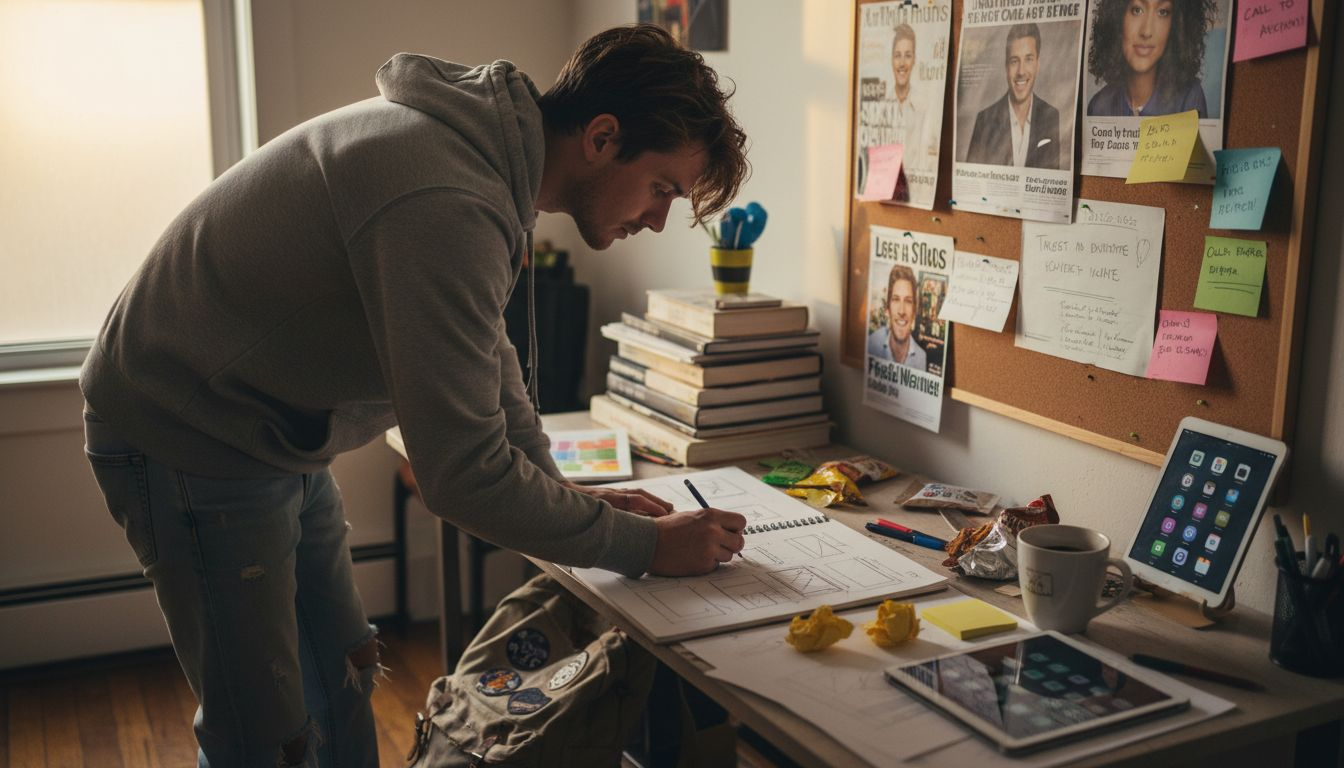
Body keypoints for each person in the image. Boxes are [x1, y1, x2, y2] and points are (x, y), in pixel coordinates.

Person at [80, 25, 749, 768]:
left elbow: (487, 351)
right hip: (187, 429)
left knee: (341, 677)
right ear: (601, 137)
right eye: (662, 188)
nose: (657, 219)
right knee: (264, 738)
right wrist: (646, 547)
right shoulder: (448, 196)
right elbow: (463, 478)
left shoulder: (486, 165)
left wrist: (563, 494)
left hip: (266, 425)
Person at [1085, 0, 1217, 117]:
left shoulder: (1189, 97)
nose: (1146, 31)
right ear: (1117, 17)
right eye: (1137, 10)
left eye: (1162, 12)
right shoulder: (1099, 106)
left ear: (1177, 24)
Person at [966, 23, 1061, 170]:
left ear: (1037, 64)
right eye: (1014, 61)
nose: (1021, 71)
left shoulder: (1051, 117)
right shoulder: (984, 121)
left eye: (1028, 59)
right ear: (1006, 67)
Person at [867, 264, 928, 370]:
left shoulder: (921, 358)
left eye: (908, 301)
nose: (901, 311)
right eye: (896, 299)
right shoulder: (872, 343)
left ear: (914, 312)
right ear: (888, 309)